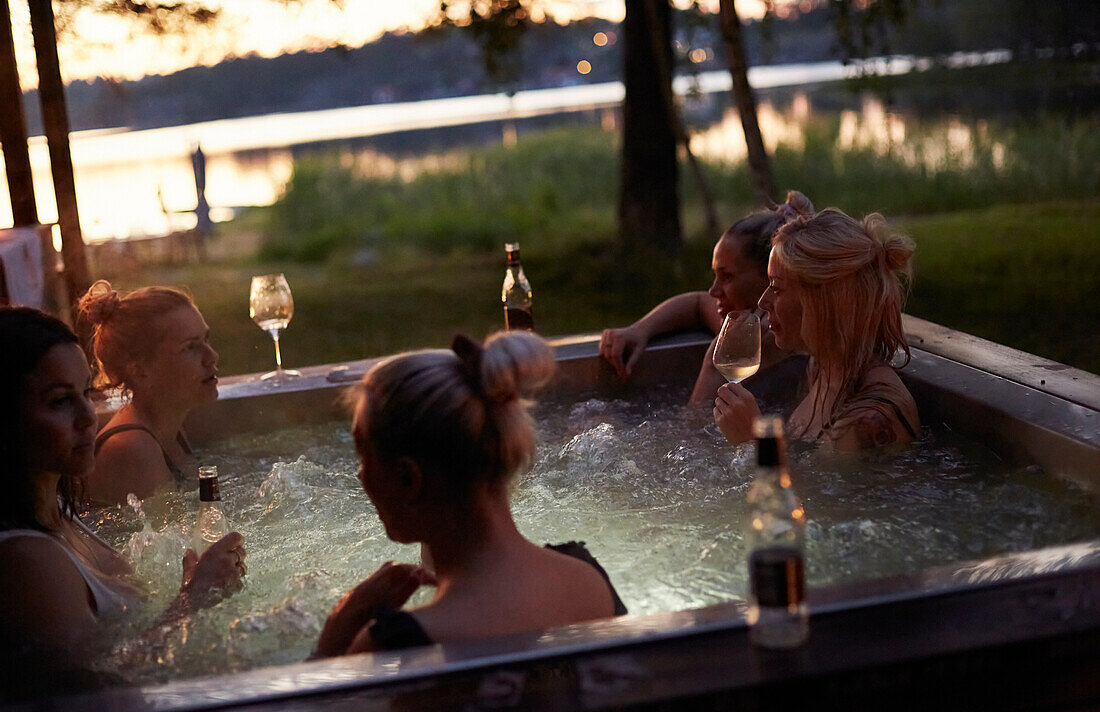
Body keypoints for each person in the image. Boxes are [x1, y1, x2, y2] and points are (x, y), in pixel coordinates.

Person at [314, 331, 626, 657]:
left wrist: (336, 635)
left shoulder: (400, 646)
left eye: (364, 456)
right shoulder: (586, 579)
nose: (360, 474)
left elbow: (318, 708)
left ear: (409, 479)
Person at [0, 307, 245, 682]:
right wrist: (193, 599)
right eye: (60, 401)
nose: (88, 416)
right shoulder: (28, 561)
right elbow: (98, 687)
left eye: (85, 392)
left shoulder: (58, 510)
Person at [713, 208, 920, 451]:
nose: (762, 302)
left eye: (777, 288)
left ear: (822, 302)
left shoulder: (869, 421)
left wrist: (754, 442)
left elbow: (811, 490)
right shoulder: (822, 368)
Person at [599, 191, 815, 404]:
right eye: (715, 275)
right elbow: (698, 304)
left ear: (770, 278)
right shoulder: (744, 328)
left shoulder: (809, 351)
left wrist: (714, 366)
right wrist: (639, 330)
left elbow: (688, 436)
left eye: (727, 277)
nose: (714, 291)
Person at [77, 280, 220, 504]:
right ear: (140, 371)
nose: (211, 356)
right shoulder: (134, 450)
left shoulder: (165, 422)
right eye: (190, 347)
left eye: (205, 340)